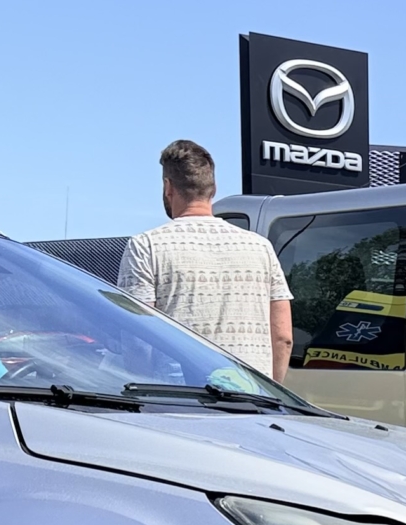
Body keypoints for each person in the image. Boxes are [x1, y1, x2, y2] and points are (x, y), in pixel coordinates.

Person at [117, 141, 294, 379]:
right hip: (254, 396)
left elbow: (137, 338)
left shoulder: (146, 246)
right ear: (214, 188)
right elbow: (283, 338)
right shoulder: (261, 247)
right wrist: (273, 391)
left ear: (168, 187)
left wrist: (142, 390)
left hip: (180, 401)